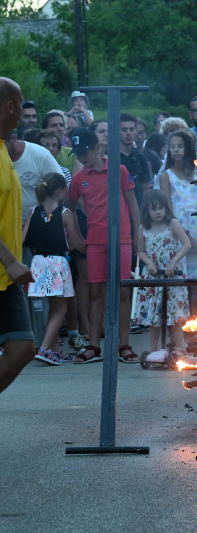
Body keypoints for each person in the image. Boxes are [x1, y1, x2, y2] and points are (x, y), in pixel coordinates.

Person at [66, 127, 141, 364]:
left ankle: (124, 345)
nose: (81, 157)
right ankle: (93, 345)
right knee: (96, 290)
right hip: (95, 241)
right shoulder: (79, 178)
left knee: (122, 290)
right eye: (77, 153)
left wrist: (140, 237)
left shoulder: (119, 170)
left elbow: (134, 205)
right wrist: (75, 236)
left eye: (84, 152)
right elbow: (68, 207)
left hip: (122, 239)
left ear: (97, 148)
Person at [23, 172, 86, 364]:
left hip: (38, 263)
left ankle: (54, 349)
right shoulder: (65, 213)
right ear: (59, 190)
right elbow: (75, 242)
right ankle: (43, 349)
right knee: (61, 308)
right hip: (57, 263)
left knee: (53, 306)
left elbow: (23, 238)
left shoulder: (34, 211)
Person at [0, 77, 36, 394]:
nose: (23, 109)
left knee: (23, 348)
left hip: (6, 277)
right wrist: (10, 261)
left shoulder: (3, 148)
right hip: (4, 267)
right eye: (22, 102)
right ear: (10, 106)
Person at [159, 131, 197, 316]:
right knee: (181, 285)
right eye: (172, 146)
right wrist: (187, 236)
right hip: (178, 235)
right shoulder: (166, 176)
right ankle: (182, 334)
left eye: (180, 146)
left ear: (188, 148)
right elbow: (168, 210)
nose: (175, 150)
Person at [134, 190, 192, 358]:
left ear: (166, 208)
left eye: (161, 208)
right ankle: (153, 350)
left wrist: (174, 261)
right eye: (153, 209)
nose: (158, 212)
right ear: (147, 211)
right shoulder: (143, 228)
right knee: (155, 315)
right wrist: (149, 263)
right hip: (154, 276)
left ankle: (179, 347)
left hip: (172, 275)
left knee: (175, 314)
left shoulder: (173, 224)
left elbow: (186, 244)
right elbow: (141, 251)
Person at [119, 113, 152, 205]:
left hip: (139, 206)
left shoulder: (140, 157)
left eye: (132, 129)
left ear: (136, 131)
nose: (128, 133)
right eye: (124, 129)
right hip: (118, 209)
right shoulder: (110, 157)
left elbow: (146, 189)